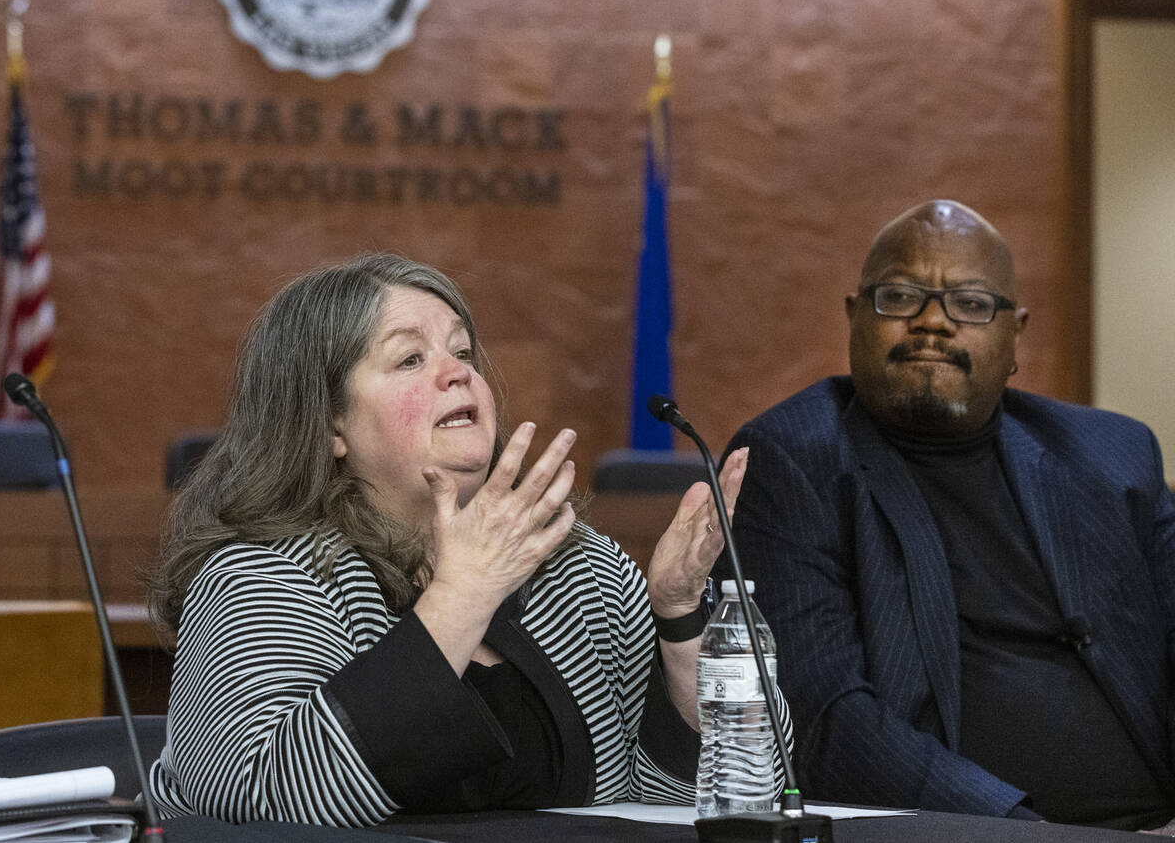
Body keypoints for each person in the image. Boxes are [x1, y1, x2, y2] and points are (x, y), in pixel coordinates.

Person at [145, 253, 792, 825]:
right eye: (409, 358)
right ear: (328, 424)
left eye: (462, 352)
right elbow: (266, 796)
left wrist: (680, 617)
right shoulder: (262, 576)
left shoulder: (579, 569)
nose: (456, 373)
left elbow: (734, 782)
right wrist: (465, 593)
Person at [719, 199, 1175, 832]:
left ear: (1016, 334)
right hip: (975, 830)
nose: (932, 322)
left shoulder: (1114, 456)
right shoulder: (793, 457)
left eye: (971, 303)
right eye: (900, 296)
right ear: (854, 316)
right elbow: (823, 716)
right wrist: (1033, 832)